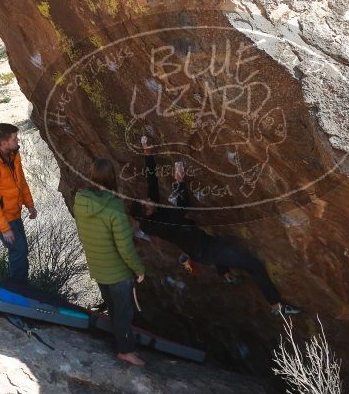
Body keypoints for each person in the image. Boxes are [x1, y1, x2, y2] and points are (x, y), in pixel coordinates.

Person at [131, 137, 302, 316]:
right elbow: (182, 209)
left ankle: (227, 276)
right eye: (148, 204)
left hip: (201, 245)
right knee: (254, 265)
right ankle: (276, 305)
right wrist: (180, 182)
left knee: (224, 245)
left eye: (148, 201)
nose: (150, 201)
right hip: (205, 250)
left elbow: (152, 183)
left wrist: (147, 153)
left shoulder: (150, 213)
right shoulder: (159, 225)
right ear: (147, 214)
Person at [74, 159, 146, 367]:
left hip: (98, 267)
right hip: (117, 272)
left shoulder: (80, 200)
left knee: (113, 309)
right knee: (123, 312)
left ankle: (118, 342)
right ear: (111, 177)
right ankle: (126, 351)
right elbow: (124, 246)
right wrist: (138, 269)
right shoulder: (114, 206)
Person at [0, 123, 36, 281]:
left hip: (14, 212)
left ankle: (21, 286)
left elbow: (21, 182)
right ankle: (19, 288)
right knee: (19, 250)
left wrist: (30, 204)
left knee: (21, 250)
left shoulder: (13, 155)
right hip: (1, 217)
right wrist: (4, 228)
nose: (18, 140)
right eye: (15, 138)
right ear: (4, 143)